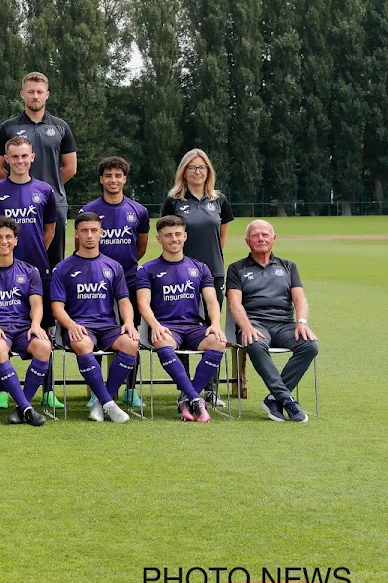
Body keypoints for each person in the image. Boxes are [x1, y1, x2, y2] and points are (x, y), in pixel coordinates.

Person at [0, 135, 59, 410]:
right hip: (2, 267)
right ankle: (3, 391)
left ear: (32, 158)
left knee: (40, 328)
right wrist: (5, 252)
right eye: (14, 157)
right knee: (0, 324)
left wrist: (33, 251)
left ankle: (47, 390)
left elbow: (49, 229)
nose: (20, 161)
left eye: (24, 156)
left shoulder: (45, 190)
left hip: (36, 269)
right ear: (6, 159)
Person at [134, 215, 226, 423]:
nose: (173, 239)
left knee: (218, 342)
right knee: (162, 341)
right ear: (159, 239)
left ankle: (187, 397)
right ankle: (195, 398)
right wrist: (155, 326)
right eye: (168, 235)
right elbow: (143, 304)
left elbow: (212, 301)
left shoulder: (200, 268)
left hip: (194, 327)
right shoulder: (148, 269)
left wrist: (216, 325)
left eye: (177, 234)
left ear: (185, 236)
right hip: (166, 327)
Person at [160, 148, 235, 400]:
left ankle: (211, 388)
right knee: (185, 328)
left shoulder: (219, 200)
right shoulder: (173, 201)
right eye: (192, 168)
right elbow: (168, 234)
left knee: (212, 328)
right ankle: (188, 388)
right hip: (180, 275)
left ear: (208, 172)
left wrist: (211, 263)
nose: (197, 172)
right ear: (184, 171)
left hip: (213, 272)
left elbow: (220, 237)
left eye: (202, 168)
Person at [49, 212, 138, 423]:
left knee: (131, 344)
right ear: (76, 234)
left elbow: (124, 300)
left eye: (94, 230)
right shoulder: (63, 268)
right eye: (84, 231)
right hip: (80, 325)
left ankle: (101, 402)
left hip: (108, 326)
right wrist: (70, 325)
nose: (89, 235)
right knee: (82, 344)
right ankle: (109, 404)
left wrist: (128, 323)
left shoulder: (113, 266)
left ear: (101, 233)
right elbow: (56, 306)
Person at [225, 220, 317, 423]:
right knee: (255, 345)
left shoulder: (288, 267)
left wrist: (301, 321)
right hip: (255, 324)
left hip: (284, 325)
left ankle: (274, 399)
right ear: (247, 241)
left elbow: (300, 298)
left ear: (274, 239)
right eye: (256, 235)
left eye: (265, 235)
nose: (261, 238)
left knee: (310, 345)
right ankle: (286, 400)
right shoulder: (236, 269)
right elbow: (234, 304)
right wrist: (246, 326)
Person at [0, 71, 78, 272]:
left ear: (47, 94)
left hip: (54, 203)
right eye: (31, 92)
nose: (35, 96)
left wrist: (42, 191)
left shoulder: (60, 126)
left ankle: (50, 303)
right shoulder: (8, 127)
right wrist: (18, 187)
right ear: (22, 95)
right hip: (14, 205)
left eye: (39, 92)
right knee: (10, 260)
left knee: (53, 264)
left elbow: (70, 167)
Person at [0, 217, 50, 427]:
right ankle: (28, 409)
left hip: (23, 328)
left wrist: (36, 325)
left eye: (8, 237)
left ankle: (22, 407)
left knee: (43, 346)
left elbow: (37, 304)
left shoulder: (30, 271)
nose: (3, 241)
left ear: (15, 241)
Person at [82, 156, 150, 407]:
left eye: (118, 176)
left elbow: (140, 247)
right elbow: (83, 246)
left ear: (124, 179)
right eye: (108, 175)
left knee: (130, 334)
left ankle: (130, 389)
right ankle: (95, 392)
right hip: (96, 283)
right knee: (96, 333)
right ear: (101, 179)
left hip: (129, 281)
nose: (113, 180)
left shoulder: (138, 211)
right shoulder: (90, 210)